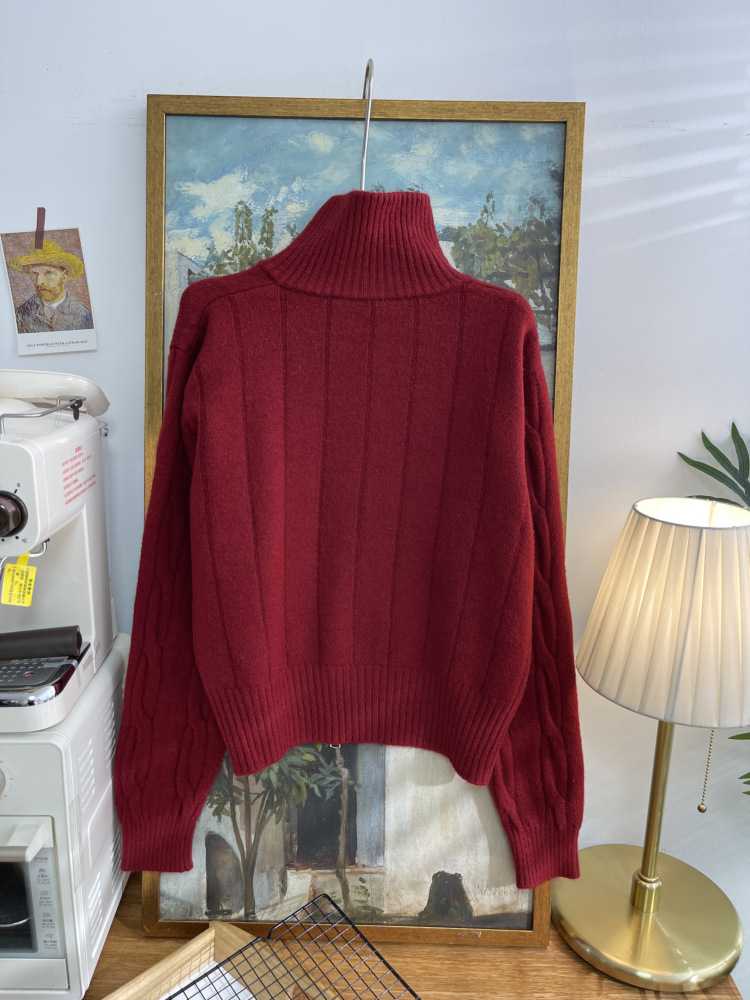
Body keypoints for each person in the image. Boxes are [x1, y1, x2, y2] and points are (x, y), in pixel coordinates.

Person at [7, 239, 93, 332]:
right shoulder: (21, 314)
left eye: (48, 273)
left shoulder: (83, 315)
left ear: (65, 275)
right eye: (34, 273)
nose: (39, 282)